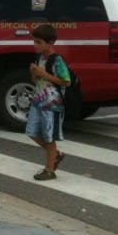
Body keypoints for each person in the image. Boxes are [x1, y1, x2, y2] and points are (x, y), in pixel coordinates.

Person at [26, 23, 70, 181]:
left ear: (50, 43)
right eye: (34, 41)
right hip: (38, 100)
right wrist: (35, 74)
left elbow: (66, 81)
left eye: (38, 42)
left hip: (51, 103)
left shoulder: (56, 60)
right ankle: (55, 155)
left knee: (48, 136)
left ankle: (50, 169)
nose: (35, 45)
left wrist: (43, 73)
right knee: (31, 132)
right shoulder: (40, 58)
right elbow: (37, 80)